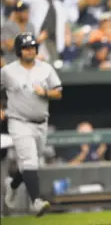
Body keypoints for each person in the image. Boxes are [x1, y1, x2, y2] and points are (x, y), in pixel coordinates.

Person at [0, 32, 63, 216]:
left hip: (41, 122)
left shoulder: (46, 68)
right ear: (19, 50)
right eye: (26, 47)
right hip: (18, 121)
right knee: (30, 161)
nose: (30, 50)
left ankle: (12, 186)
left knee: (29, 165)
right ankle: (36, 201)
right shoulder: (8, 71)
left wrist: (44, 92)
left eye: (33, 47)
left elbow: (58, 92)